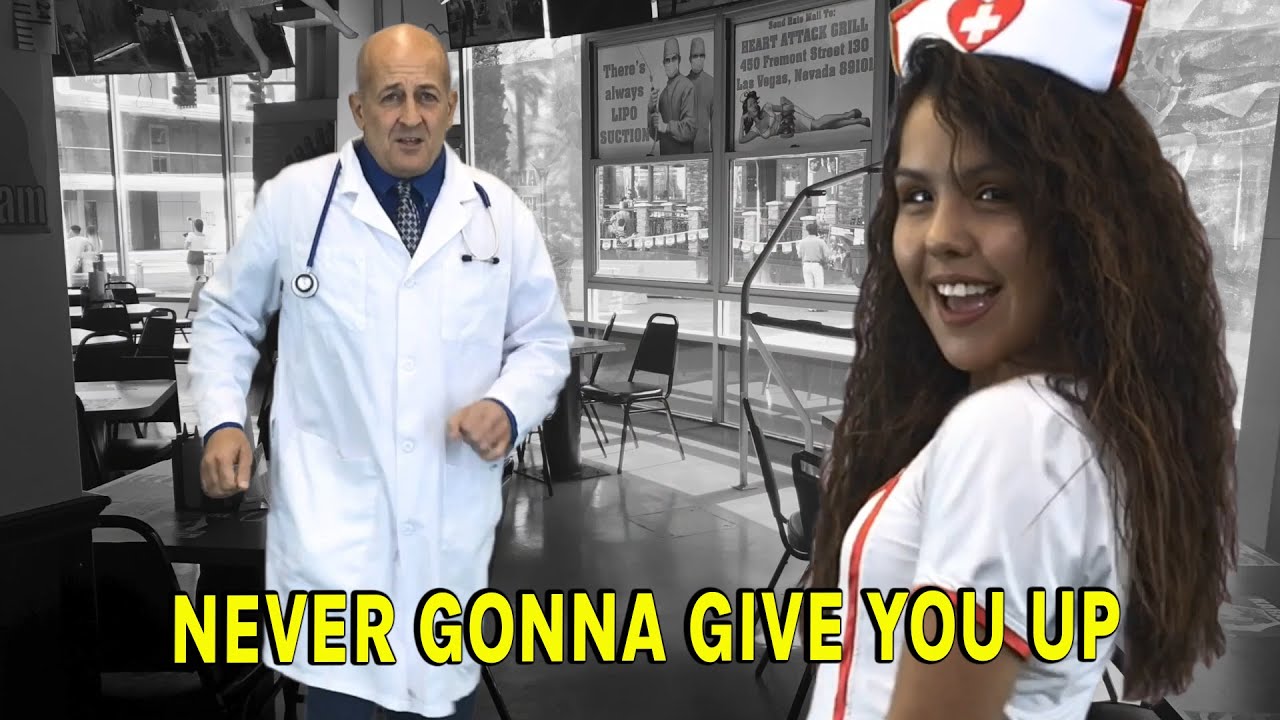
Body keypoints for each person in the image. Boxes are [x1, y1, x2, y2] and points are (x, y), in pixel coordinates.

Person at [805, 1, 1237, 718]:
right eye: (917, 195)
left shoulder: (1015, 435)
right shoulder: (1080, 418)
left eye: (993, 193)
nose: (941, 236)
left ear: (1088, 217)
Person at [189, 23, 571, 720]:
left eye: (427, 96)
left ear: (451, 105)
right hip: (334, 535)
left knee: (436, 703)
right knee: (338, 707)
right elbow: (225, 318)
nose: (411, 116)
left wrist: (509, 406)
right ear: (359, 109)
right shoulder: (297, 203)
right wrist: (221, 420)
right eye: (391, 96)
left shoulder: (499, 215)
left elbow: (543, 342)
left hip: (445, 528)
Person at [647, 37, 695, 155]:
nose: (670, 63)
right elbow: (655, 135)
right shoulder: (663, 95)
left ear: (679, 60)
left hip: (685, 160)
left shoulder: (687, 86)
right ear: (663, 64)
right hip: (666, 161)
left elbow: (690, 129)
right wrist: (651, 108)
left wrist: (667, 127)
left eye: (674, 59)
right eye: (667, 60)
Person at [685, 36, 713, 153]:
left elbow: (716, 124)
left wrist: (714, 151)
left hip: (704, 150)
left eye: (701, 55)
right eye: (695, 56)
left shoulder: (712, 83)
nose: (699, 59)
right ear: (690, 58)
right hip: (683, 149)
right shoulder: (682, 84)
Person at [796, 222, 828, 290]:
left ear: (808, 231)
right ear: (816, 230)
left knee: (808, 286)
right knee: (819, 286)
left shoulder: (802, 242)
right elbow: (826, 254)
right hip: (817, 264)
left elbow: (799, 255)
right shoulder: (820, 241)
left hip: (806, 264)